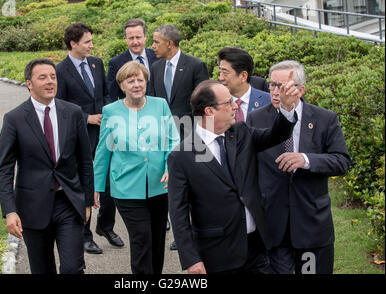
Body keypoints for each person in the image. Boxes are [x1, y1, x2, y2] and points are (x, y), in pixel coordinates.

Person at [168, 79, 300, 274]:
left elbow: (277, 135)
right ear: (209, 111)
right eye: (228, 102)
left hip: (256, 248)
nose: (235, 106)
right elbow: (178, 213)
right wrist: (191, 259)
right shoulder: (181, 156)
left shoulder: (241, 133)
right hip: (217, 254)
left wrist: (287, 108)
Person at [246, 60, 350, 274]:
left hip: (311, 223)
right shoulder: (256, 118)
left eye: (283, 86)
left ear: (301, 90)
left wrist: (307, 159)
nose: (275, 92)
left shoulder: (324, 118)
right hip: (274, 224)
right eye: (272, 85)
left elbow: (341, 161)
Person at [0, 58, 94, 274]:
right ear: (29, 84)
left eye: (53, 77)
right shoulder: (14, 119)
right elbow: (4, 169)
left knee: (72, 268)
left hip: (68, 201)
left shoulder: (73, 112)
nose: (50, 82)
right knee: (42, 269)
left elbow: (85, 160)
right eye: (42, 78)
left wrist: (87, 201)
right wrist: (10, 210)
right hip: (32, 206)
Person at [93, 61, 180, 274]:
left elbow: (173, 140)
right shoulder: (110, 111)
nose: (136, 84)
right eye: (130, 81)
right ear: (122, 85)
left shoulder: (160, 105)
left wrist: (172, 166)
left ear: (146, 82)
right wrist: (96, 186)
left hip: (160, 185)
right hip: (126, 187)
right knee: (142, 238)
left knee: (158, 239)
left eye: (140, 80)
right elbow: (103, 151)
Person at [56, 22, 124, 254]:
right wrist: (86, 118)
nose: (91, 46)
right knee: (85, 184)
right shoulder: (60, 70)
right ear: (73, 43)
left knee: (108, 182)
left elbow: (105, 94)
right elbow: (60, 106)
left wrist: (106, 112)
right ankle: (84, 235)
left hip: (104, 134)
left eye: (91, 41)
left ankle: (105, 226)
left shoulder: (96, 63)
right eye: (87, 42)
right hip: (78, 136)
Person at [148, 24, 209, 250]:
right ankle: (181, 233)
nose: (152, 46)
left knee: (195, 185)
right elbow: (152, 102)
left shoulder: (195, 66)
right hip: (164, 137)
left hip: (191, 135)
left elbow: (204, 104)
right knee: (174, 186)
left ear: (170, 44)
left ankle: (197, 230)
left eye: (156, 42)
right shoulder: (155, 68)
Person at [107, 18, 159, 101]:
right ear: (125, 39)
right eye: (131, 38)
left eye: (138, 37)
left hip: (158, 109)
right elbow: (111, 96)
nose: (135, 42)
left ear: (145, 37)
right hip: (131, 111)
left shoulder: (158, 57)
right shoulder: (115, 63)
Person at [218, 46, 270, 122]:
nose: (221, 78)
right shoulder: (210, 102)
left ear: (243, 76)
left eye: (225, 73)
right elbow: (202, 133)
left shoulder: (269, 102)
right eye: (220, 72)